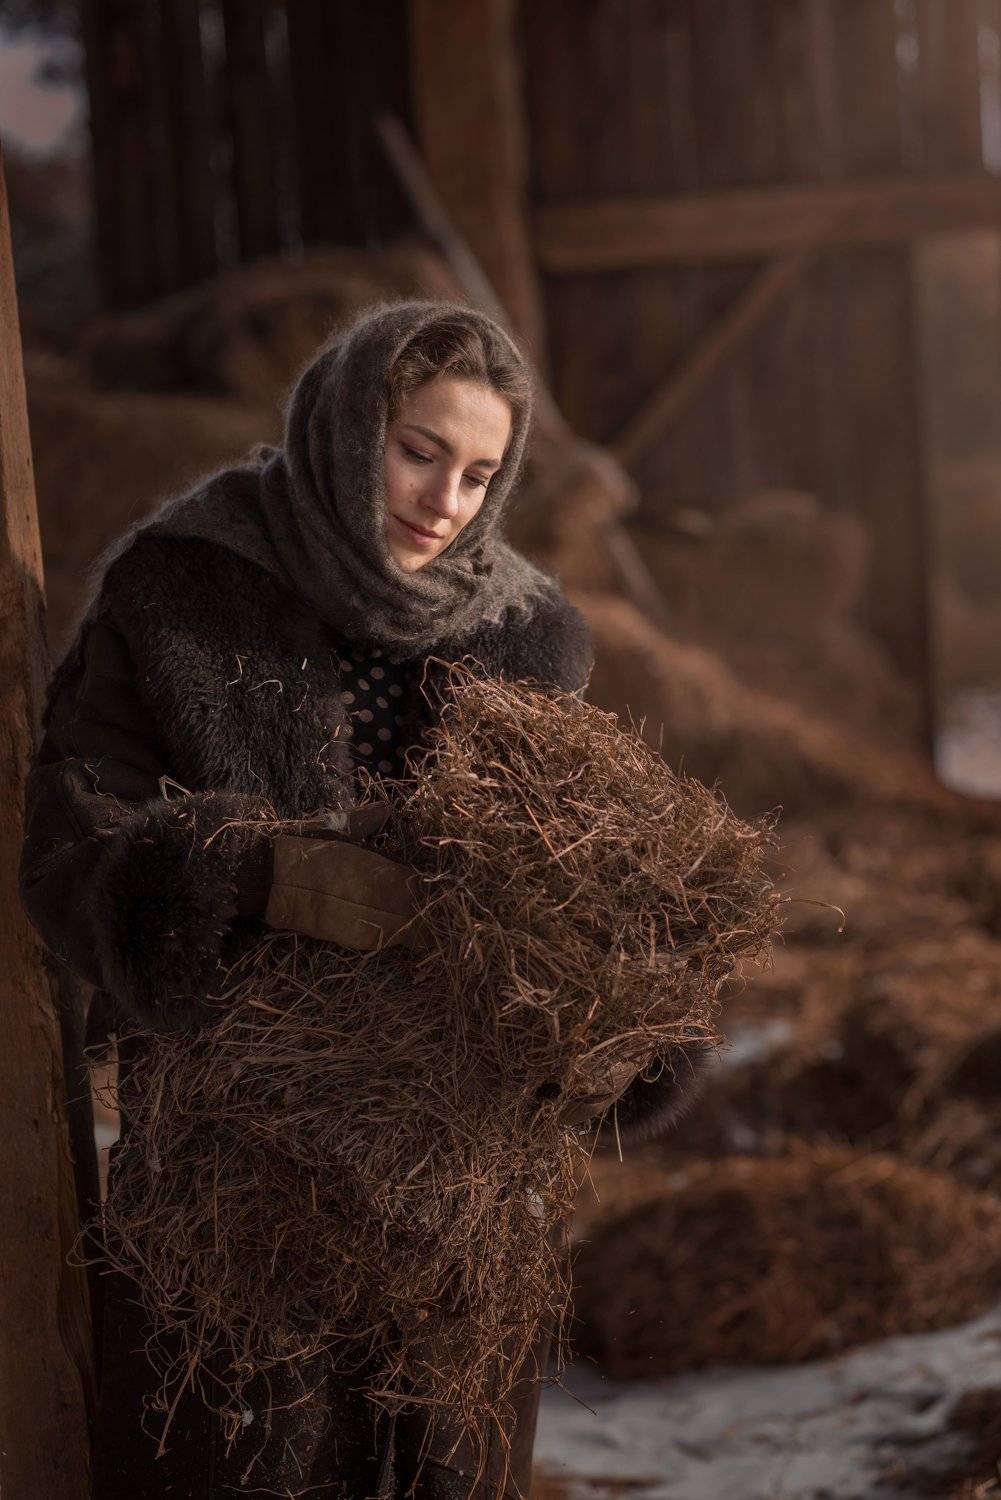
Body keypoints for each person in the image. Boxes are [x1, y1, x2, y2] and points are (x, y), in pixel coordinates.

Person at [20, 300, 701, 1500]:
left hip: (457, 1190)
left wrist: (616, 992)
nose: (444, 502)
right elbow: (75, 846)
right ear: (344, 431)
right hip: (236, 1175)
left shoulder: (528, 637)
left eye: (478, 473)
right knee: (246, 1461)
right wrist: (245, 878)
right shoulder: (187, 591)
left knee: (440, 1465)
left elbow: (574, 856)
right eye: (417, 451)